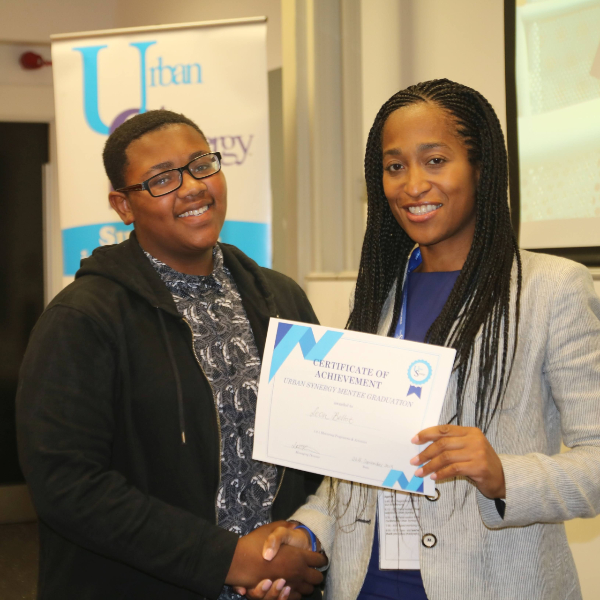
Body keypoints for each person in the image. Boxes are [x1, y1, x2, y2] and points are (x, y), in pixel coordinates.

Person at [240, 79, 600, 600]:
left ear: (481, 169)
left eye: (435, 161)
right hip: (364, 586)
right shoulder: (376, 300)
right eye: (395, 166)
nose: (412, 185)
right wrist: (308, 527)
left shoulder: (550, 290)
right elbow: (355, 466)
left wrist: (502, 475)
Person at [16, 110, 326, 600]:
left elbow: (320, 443)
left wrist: (302, 539)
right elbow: (67, 486)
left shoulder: (280, 298)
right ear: (122, 205)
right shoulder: (83, 318)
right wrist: (227, 560)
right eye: (161, 179)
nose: (192, 188)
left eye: (201, 165)